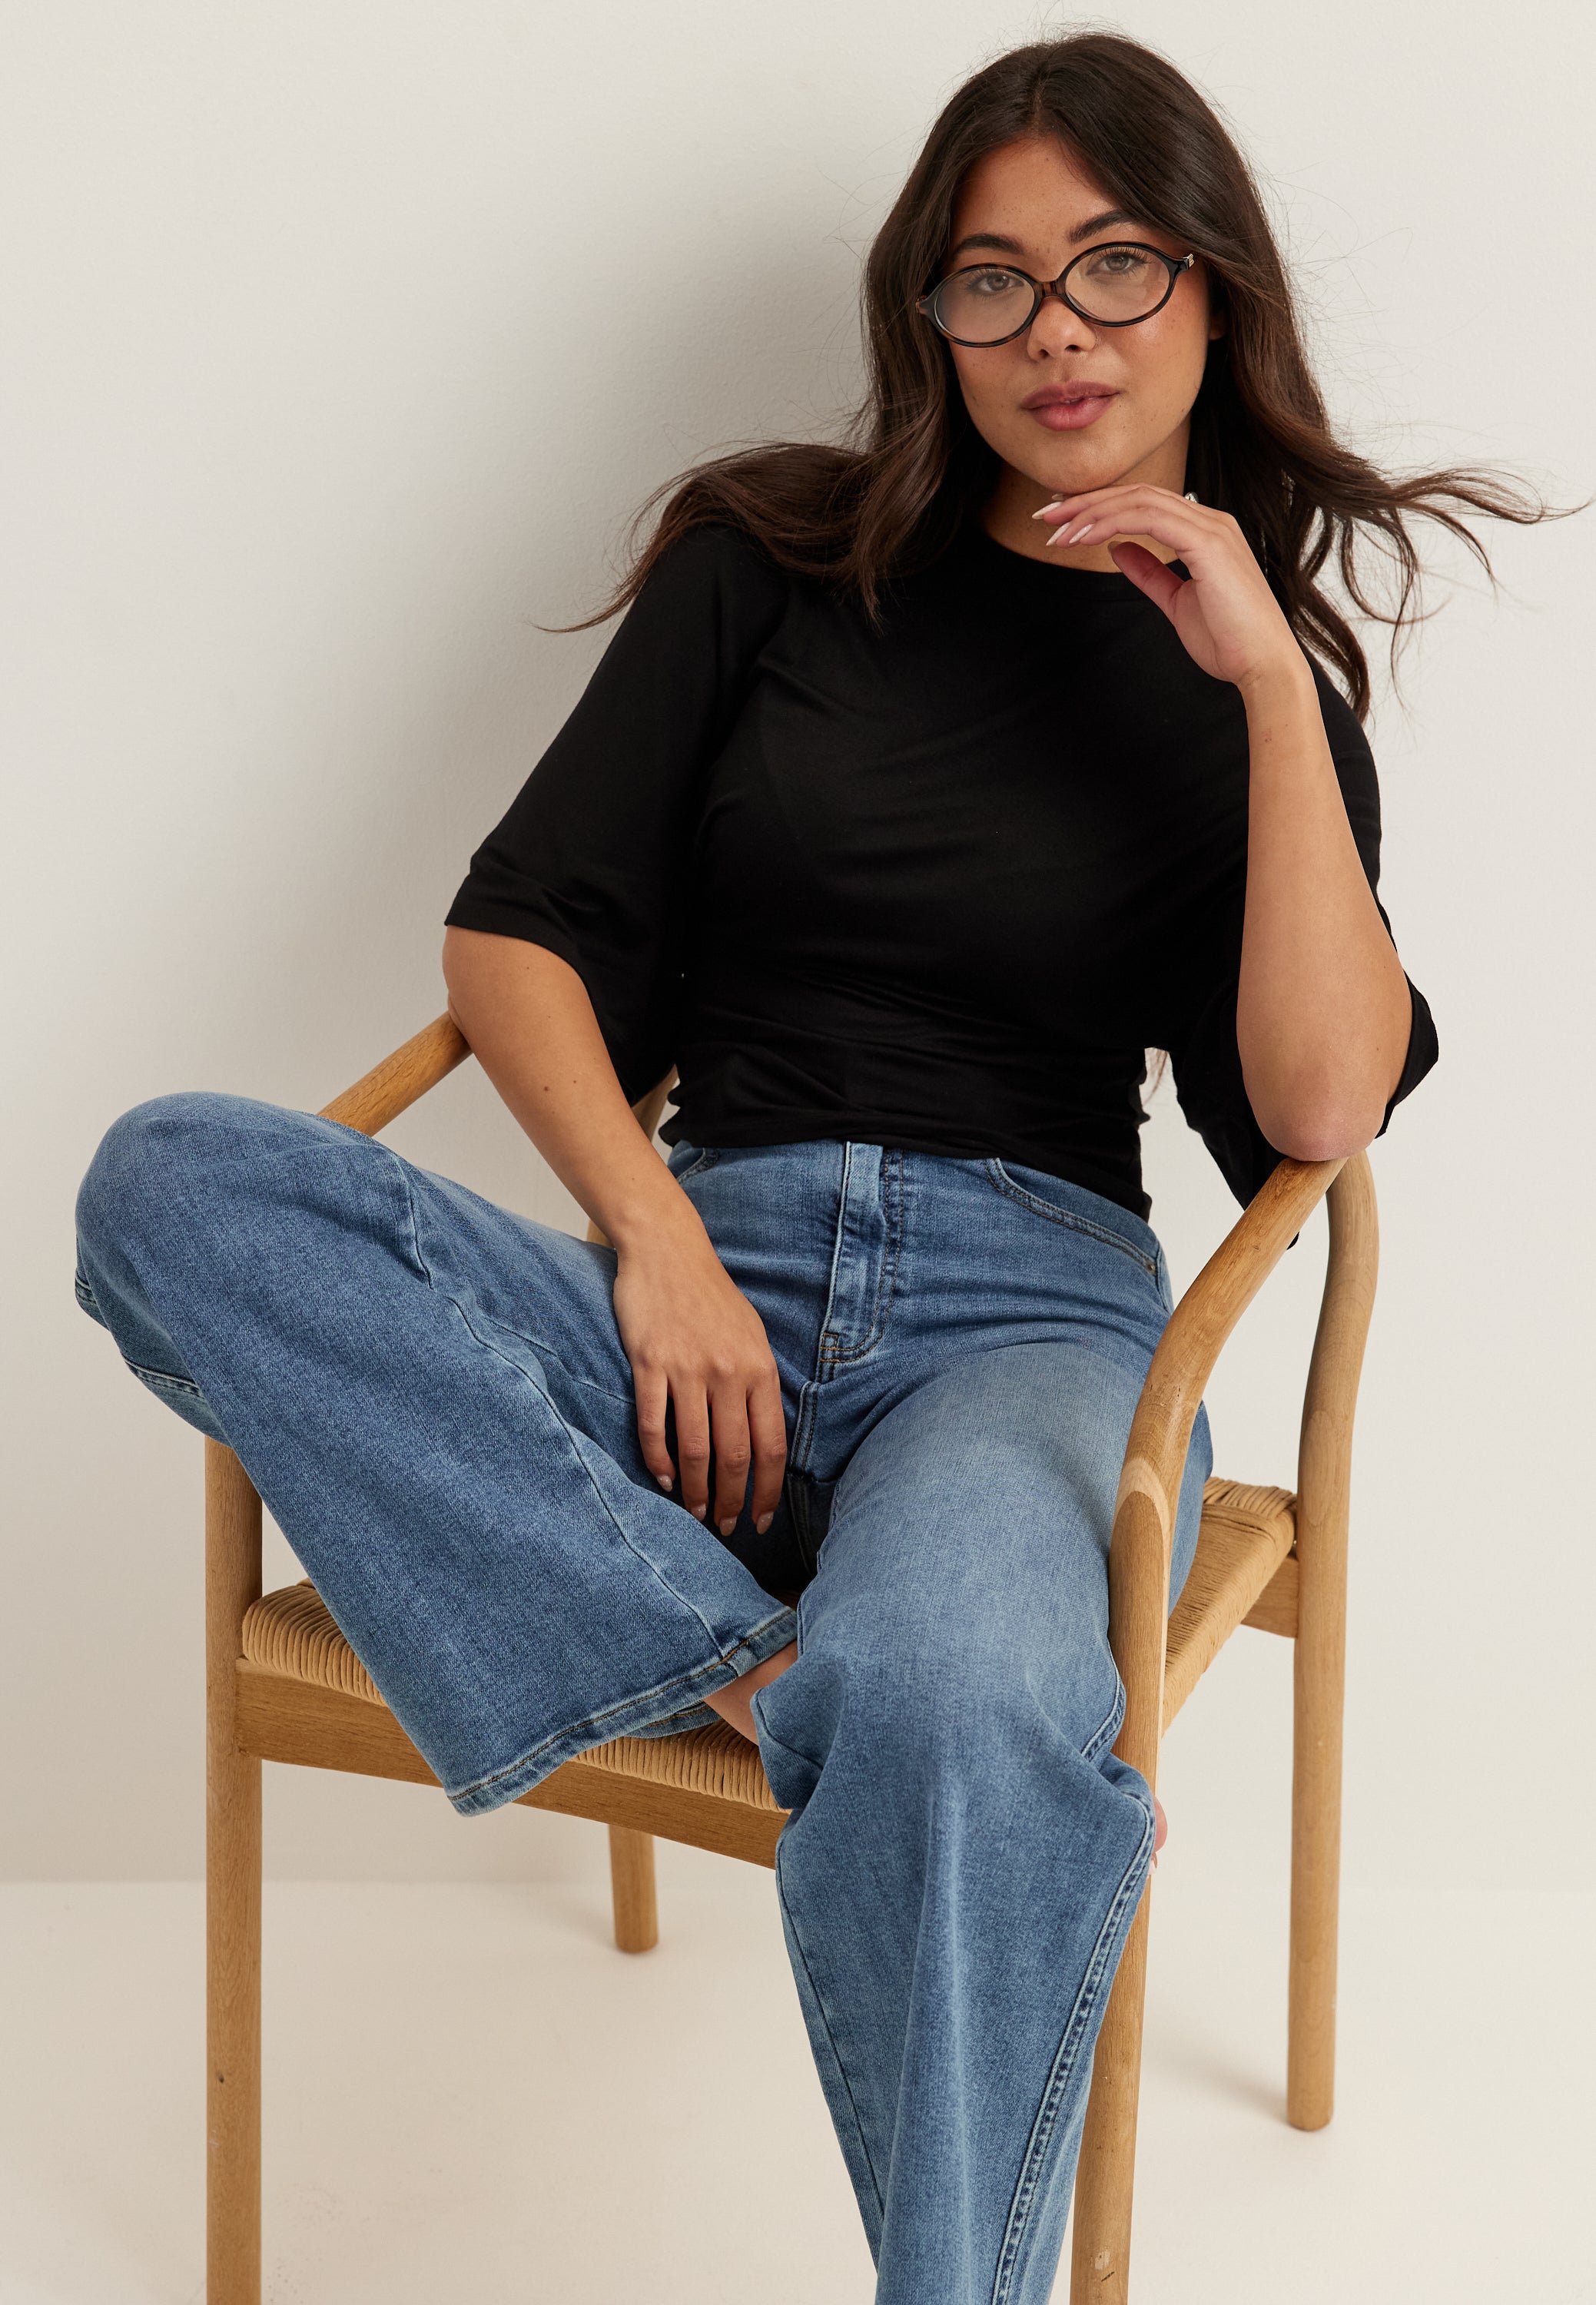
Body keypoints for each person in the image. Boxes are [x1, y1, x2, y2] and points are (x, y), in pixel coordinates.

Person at [74, 32, 1547, 2303]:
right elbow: (517, 939)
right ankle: (752, 1665)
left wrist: (1265, 684)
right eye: (991, 279)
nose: (1052, 327)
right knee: (176, 1182)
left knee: (958, 1692)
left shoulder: (1262, 694)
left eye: (1114, 265)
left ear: (1215, 290)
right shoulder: (766, 560)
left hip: (1025, 1331)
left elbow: (1320, 1114)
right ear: (927, 319)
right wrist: (653, 1237)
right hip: (692, 1303)